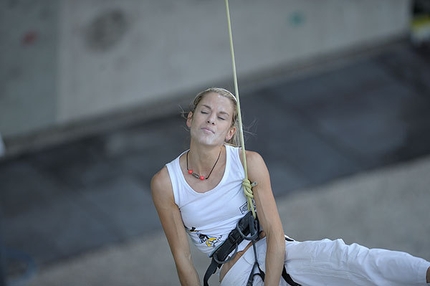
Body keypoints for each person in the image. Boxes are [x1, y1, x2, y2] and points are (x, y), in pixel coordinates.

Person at [151, 87, 430, 286]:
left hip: (278, 253)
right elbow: (183, 258)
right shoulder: (166, 183)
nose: (212, 119)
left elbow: (274, 232)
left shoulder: (248, 162)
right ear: (190, 118)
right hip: (233, 274)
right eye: (205, 111)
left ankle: (425, 274)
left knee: (344, 257)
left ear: (230, 132)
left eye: (222, 117)